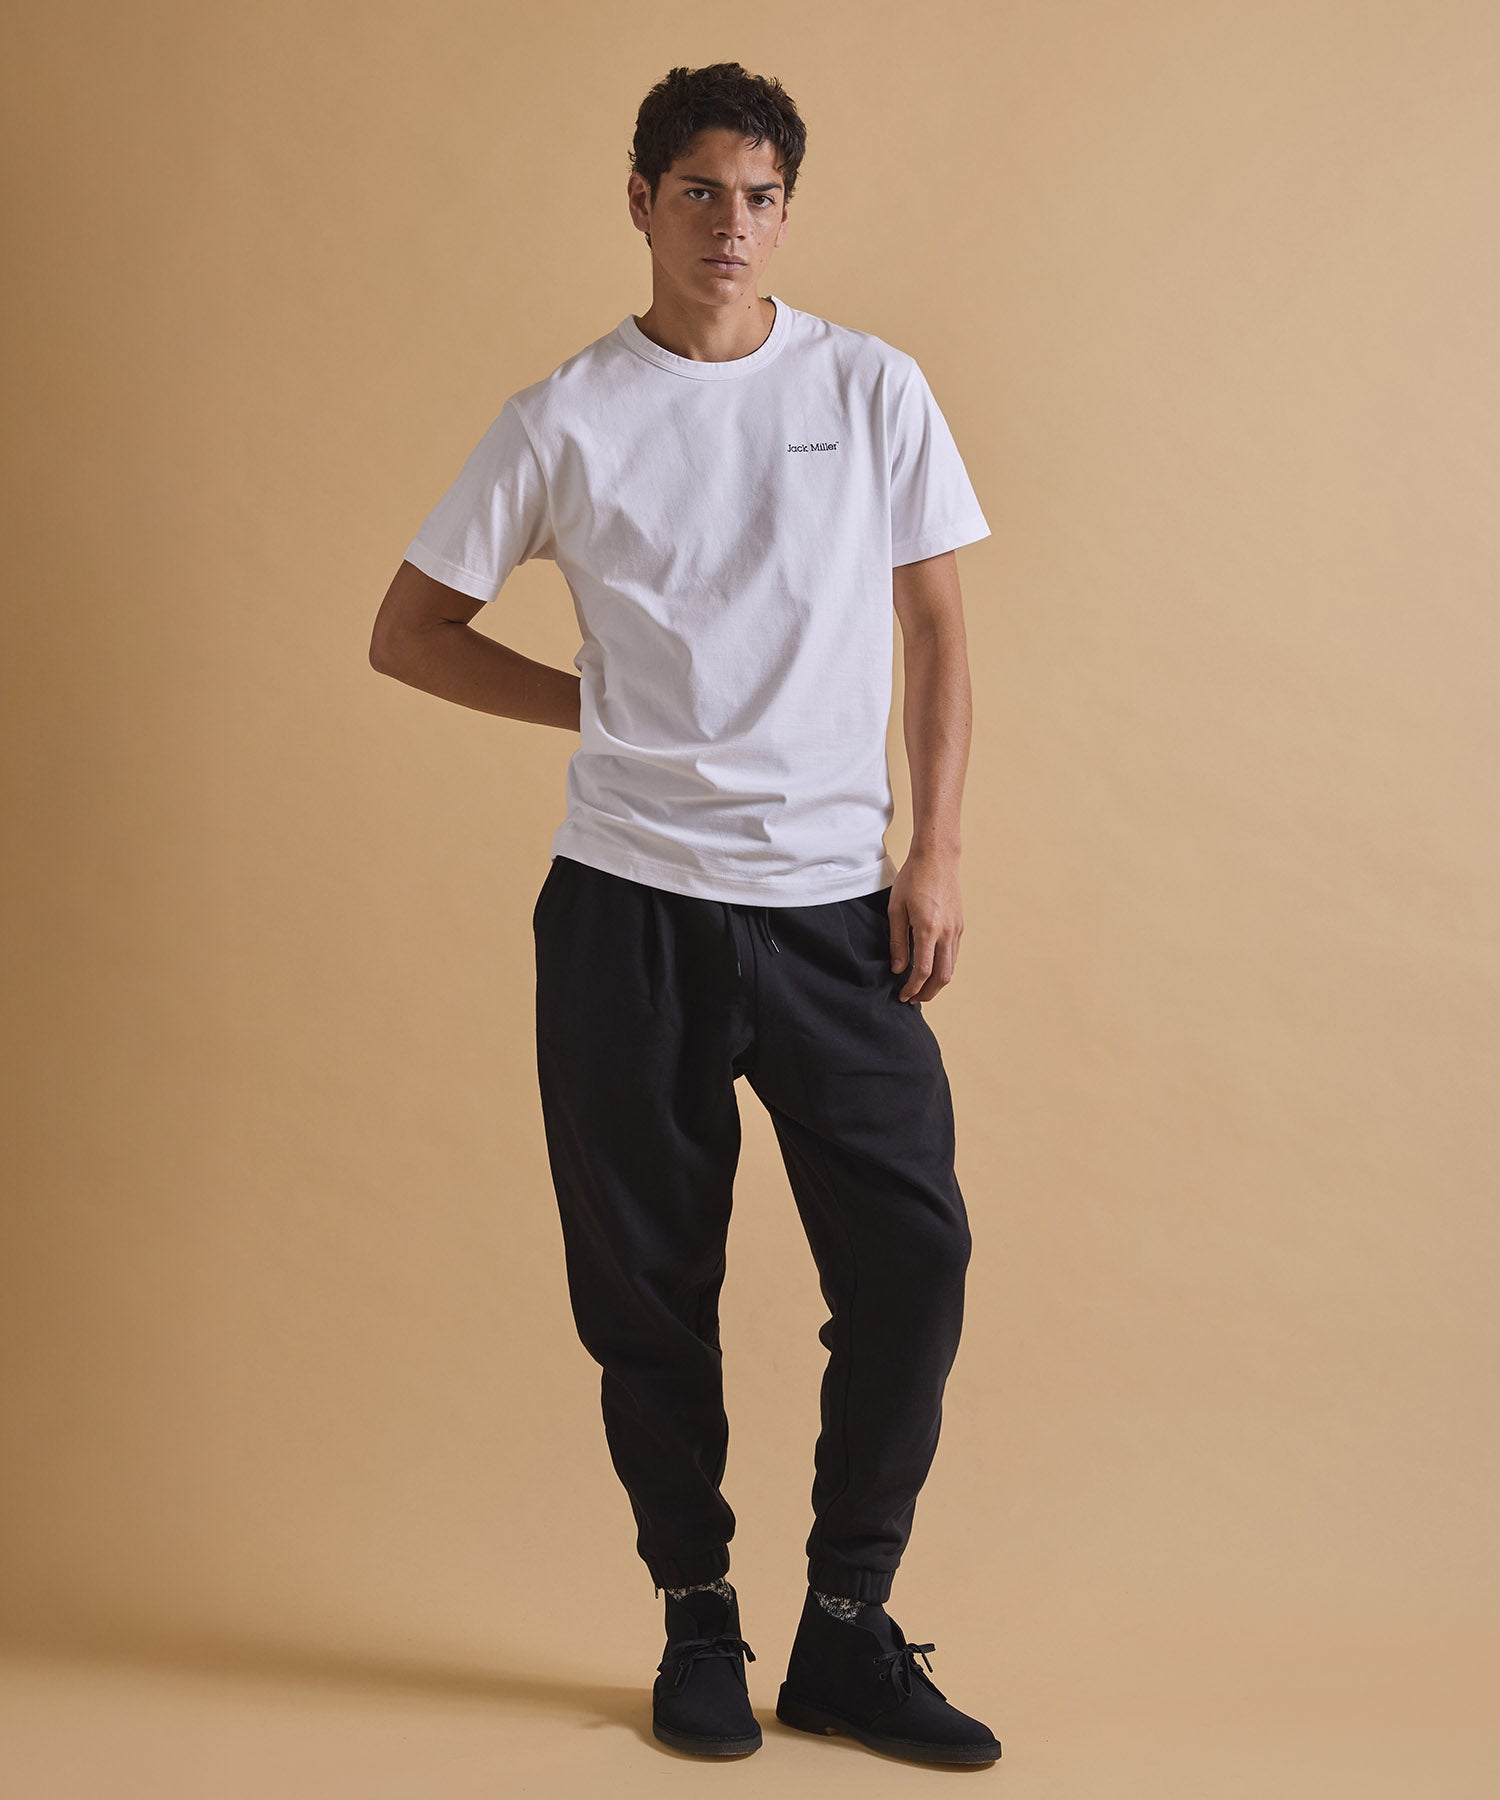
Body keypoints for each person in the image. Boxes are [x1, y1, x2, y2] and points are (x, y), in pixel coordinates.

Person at [369, 60, 1001, 1767]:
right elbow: (408, 632)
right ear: (642, 199)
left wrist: (937, 853)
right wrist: (594, 709)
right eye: (703, 191)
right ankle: (697, 1618)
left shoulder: (868, 387)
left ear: (788, 211)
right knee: (649, 1294)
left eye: (763, 196)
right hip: (628, 912)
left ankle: (848, 1626)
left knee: (913, 1259)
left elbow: (939, 631)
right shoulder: (566, 415)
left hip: (831, 914)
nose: (733, 224)